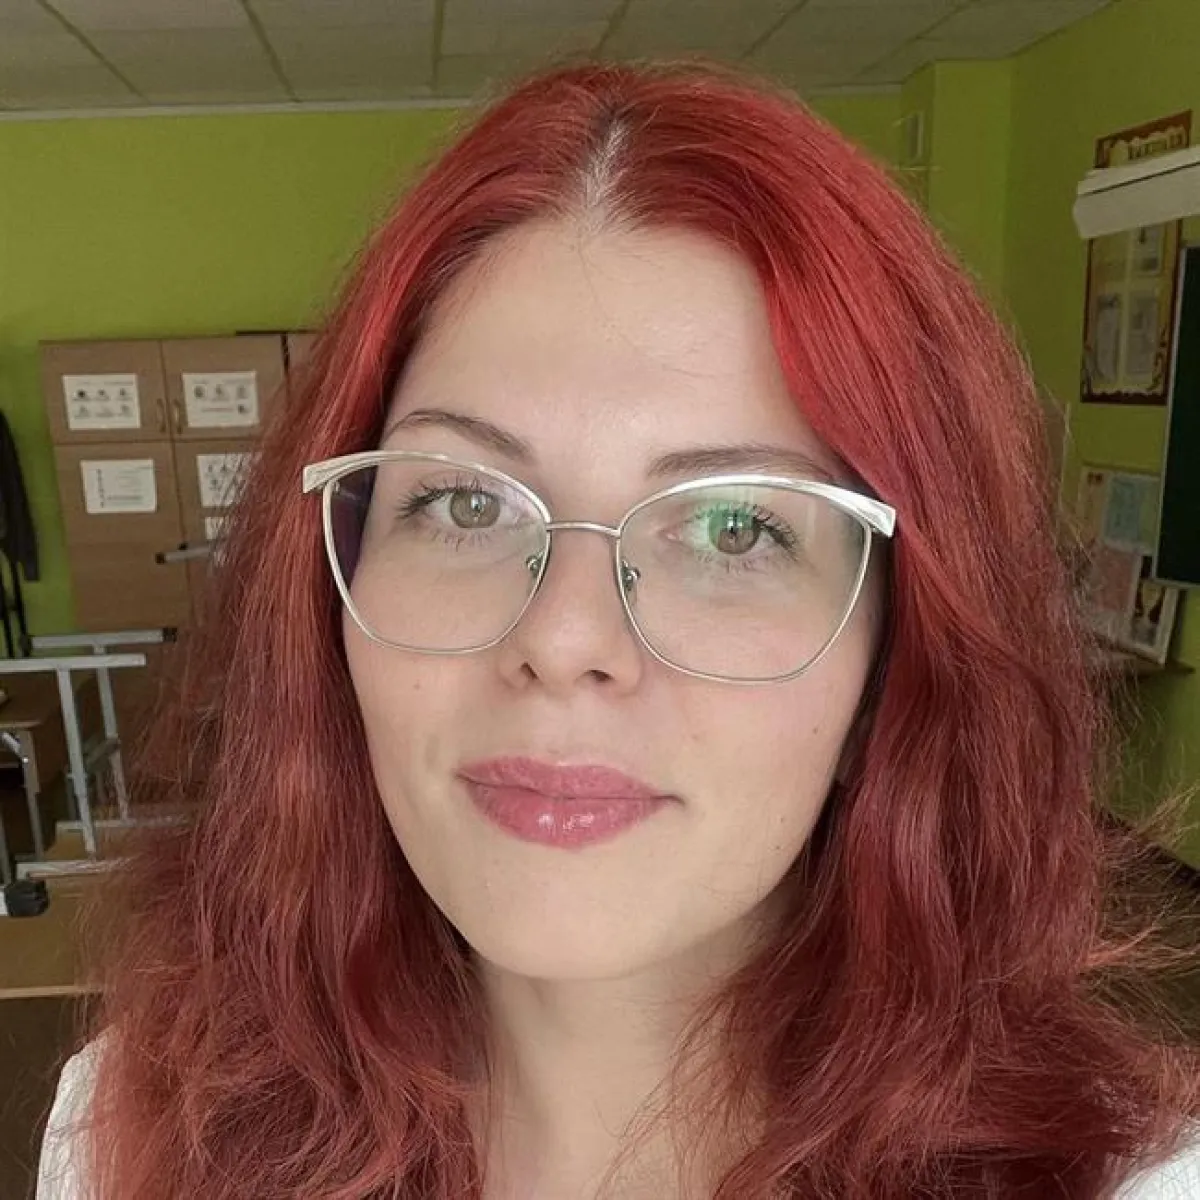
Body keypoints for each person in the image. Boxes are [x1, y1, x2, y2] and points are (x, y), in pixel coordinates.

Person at [36, 61, 1200, 1199]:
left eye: (735, 527)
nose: (564, 637)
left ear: (892, 662)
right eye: (466, 502)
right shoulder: (127, 1139)